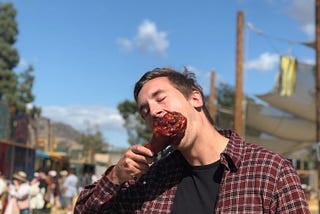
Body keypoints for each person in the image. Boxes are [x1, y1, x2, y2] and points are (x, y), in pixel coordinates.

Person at [74, 67, 310, 213]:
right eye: (145, 111)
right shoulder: (151, 179)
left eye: (161, 98)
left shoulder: (271, 170)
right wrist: (115, 176)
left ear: (195, 99)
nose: (154, 111)